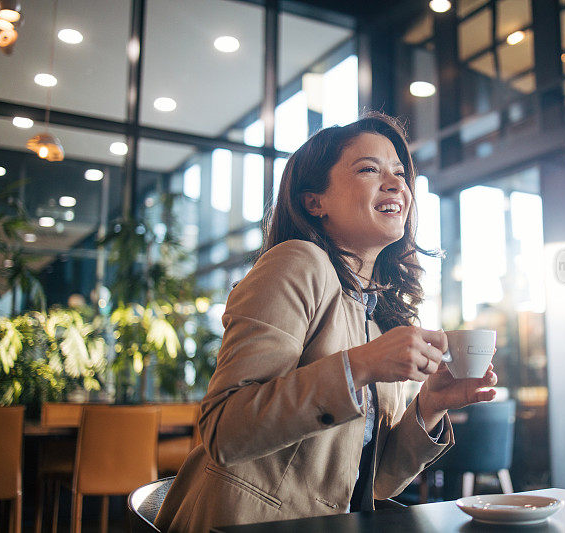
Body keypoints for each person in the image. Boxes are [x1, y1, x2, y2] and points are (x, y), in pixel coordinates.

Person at [155, 113, 498, 532]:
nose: (395, 184)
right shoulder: (298, 262)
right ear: (313, 201)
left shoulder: (375, 315)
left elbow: (380, 483)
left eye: (400, 173)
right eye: (369, 169)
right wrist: (359, 366)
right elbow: (223, 431)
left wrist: (430, 404)